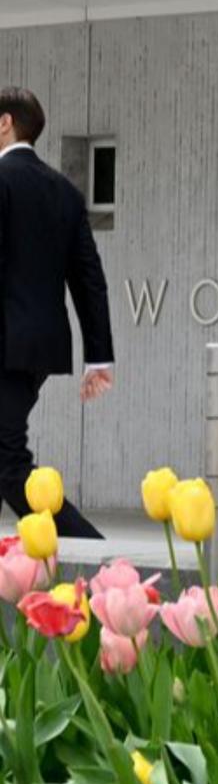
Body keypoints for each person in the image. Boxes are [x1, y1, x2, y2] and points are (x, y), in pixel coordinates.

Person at [0, 87, 113, 538]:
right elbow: (89, 277)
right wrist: (98, 356)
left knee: (9, 466)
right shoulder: (64, 191)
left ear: (5, 122)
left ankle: (96, 560)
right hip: (38, 346)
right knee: (7, 458)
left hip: (5, 344)